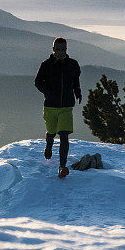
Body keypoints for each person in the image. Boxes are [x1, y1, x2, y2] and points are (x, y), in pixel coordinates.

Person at [34, 37, 82, 178]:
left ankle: (62, 166)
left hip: (67, 106)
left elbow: (75, 81)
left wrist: (78, 93)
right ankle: (49, 144)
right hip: (50, 106)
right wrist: (48, 92)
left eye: (63, 49)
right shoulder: (46, 65)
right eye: (58, 49)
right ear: (53, 49)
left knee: (64, 135)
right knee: (52, 131)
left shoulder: (73, 64)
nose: (61, 52)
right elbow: (37, 82)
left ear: (66, 49)